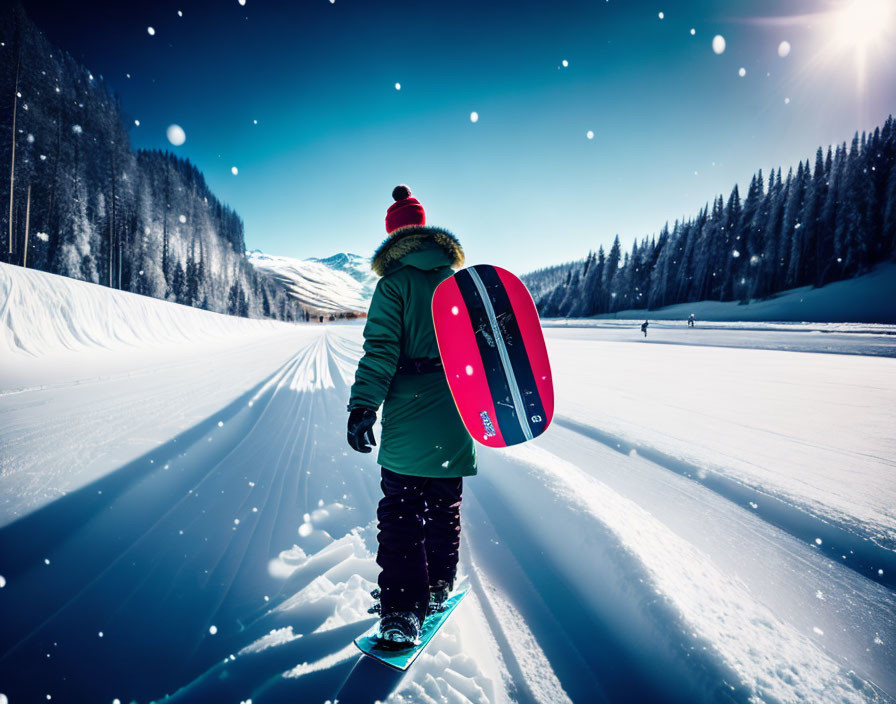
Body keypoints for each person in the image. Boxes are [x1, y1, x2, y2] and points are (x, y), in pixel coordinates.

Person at [347, 185, 476, 647]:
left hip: (409, 412)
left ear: (393, 237)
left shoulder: (393, 285)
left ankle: (402, 610)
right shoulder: (459, 283)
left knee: (401, 512)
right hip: (458, 410)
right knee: (444, 506)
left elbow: (380, 350)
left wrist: (363, 405)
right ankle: (438, 587)